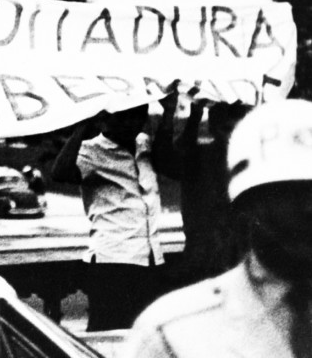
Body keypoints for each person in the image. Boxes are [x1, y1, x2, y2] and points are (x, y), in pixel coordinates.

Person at [122, 99, 312, 358]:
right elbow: (167, 158)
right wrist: (179, 115)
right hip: (204, 262)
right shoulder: (177, 331)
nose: (307, 209)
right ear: (250, 204)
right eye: (289, 193)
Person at [51, 96, 178, 331]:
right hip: (113, 259)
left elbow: (170, 162)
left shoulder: (144, 144)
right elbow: (60, 173)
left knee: (146, 334)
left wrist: (169, 113)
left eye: (138, 115)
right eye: (124, 117)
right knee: (109, 332)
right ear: (105, 120)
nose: (132, 123)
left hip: (150, 257)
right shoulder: (91, 151)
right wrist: (82, 126)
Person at [173, 101, 251, 285]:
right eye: (226, 129)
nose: (232, 135)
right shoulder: (199, 156)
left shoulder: (249, 160)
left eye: (238, 129)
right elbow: (182, 150)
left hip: (237, 252)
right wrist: (195, 115)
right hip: (205, 254)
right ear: (213, 128)